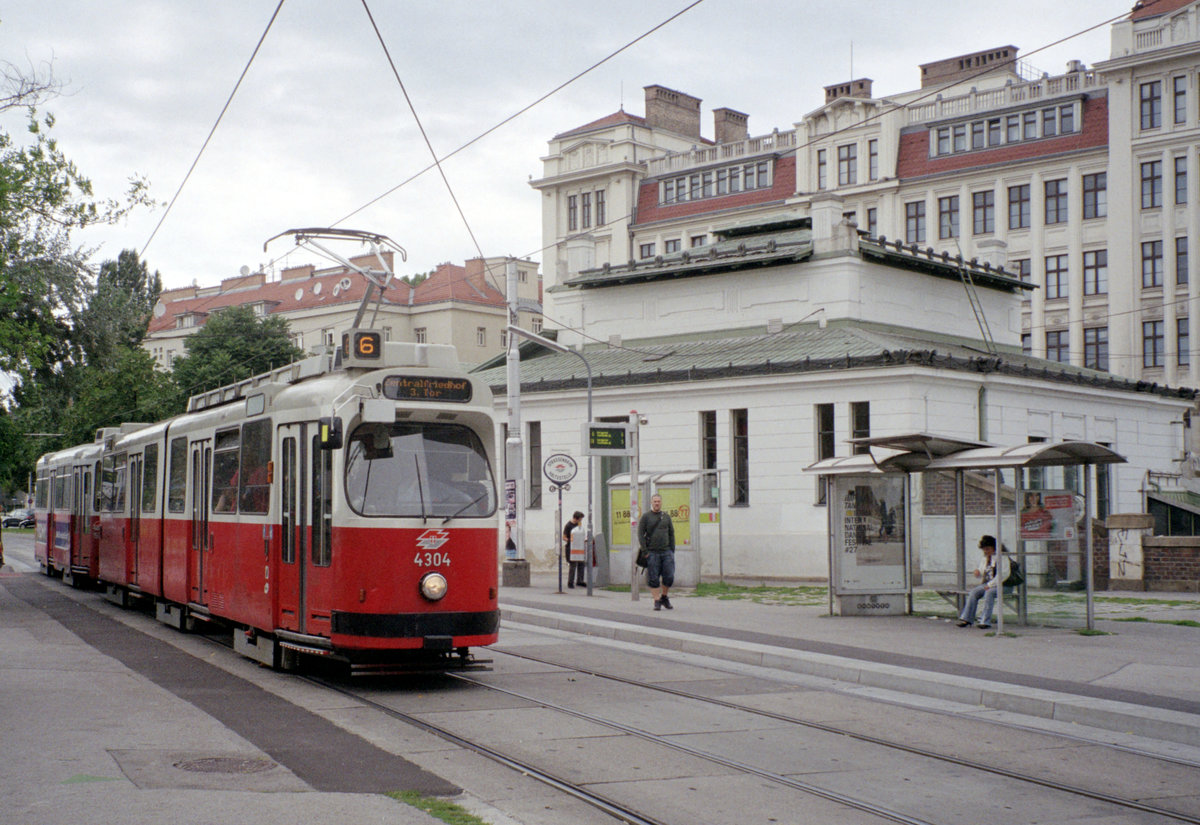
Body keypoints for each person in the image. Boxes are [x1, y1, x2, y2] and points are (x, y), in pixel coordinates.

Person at [957, 534, 1009, 629]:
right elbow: (983, 571)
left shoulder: (1002, 557)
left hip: (1004, 585)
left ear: (994, 547)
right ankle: (967, 618)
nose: (986, 551)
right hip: (988, 584)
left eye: (988, 549)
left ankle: (985, 621)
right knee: (974, 592)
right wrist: (978, 572)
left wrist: (990, 584)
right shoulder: (985, 558)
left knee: (989, 593)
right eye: (984, 549)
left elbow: (1003, 574)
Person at [637, 493, 675, 610]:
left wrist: (672, 549)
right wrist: (645, 551)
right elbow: (640, 534)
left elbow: (671, 533)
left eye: (658, 501)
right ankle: (656, 600)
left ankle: (664, 597)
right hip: (652, 553)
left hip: (666, 552)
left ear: (661, 503)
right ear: (651, 503)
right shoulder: (646, 517)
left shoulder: (666, 517)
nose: (657, 503)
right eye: (655, 501)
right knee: (653, 578)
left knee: (669, 576)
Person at [563, 511, 585, 588]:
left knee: (581, 563)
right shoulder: (568, 525)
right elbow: (564, 537)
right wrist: (570, 540)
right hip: (571, 548)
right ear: (576, 518)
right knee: (573, 565)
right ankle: (570, 582)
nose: (581, 521)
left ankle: (580, 580)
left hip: (579, 547)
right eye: (580, 519)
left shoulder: (578, 524)